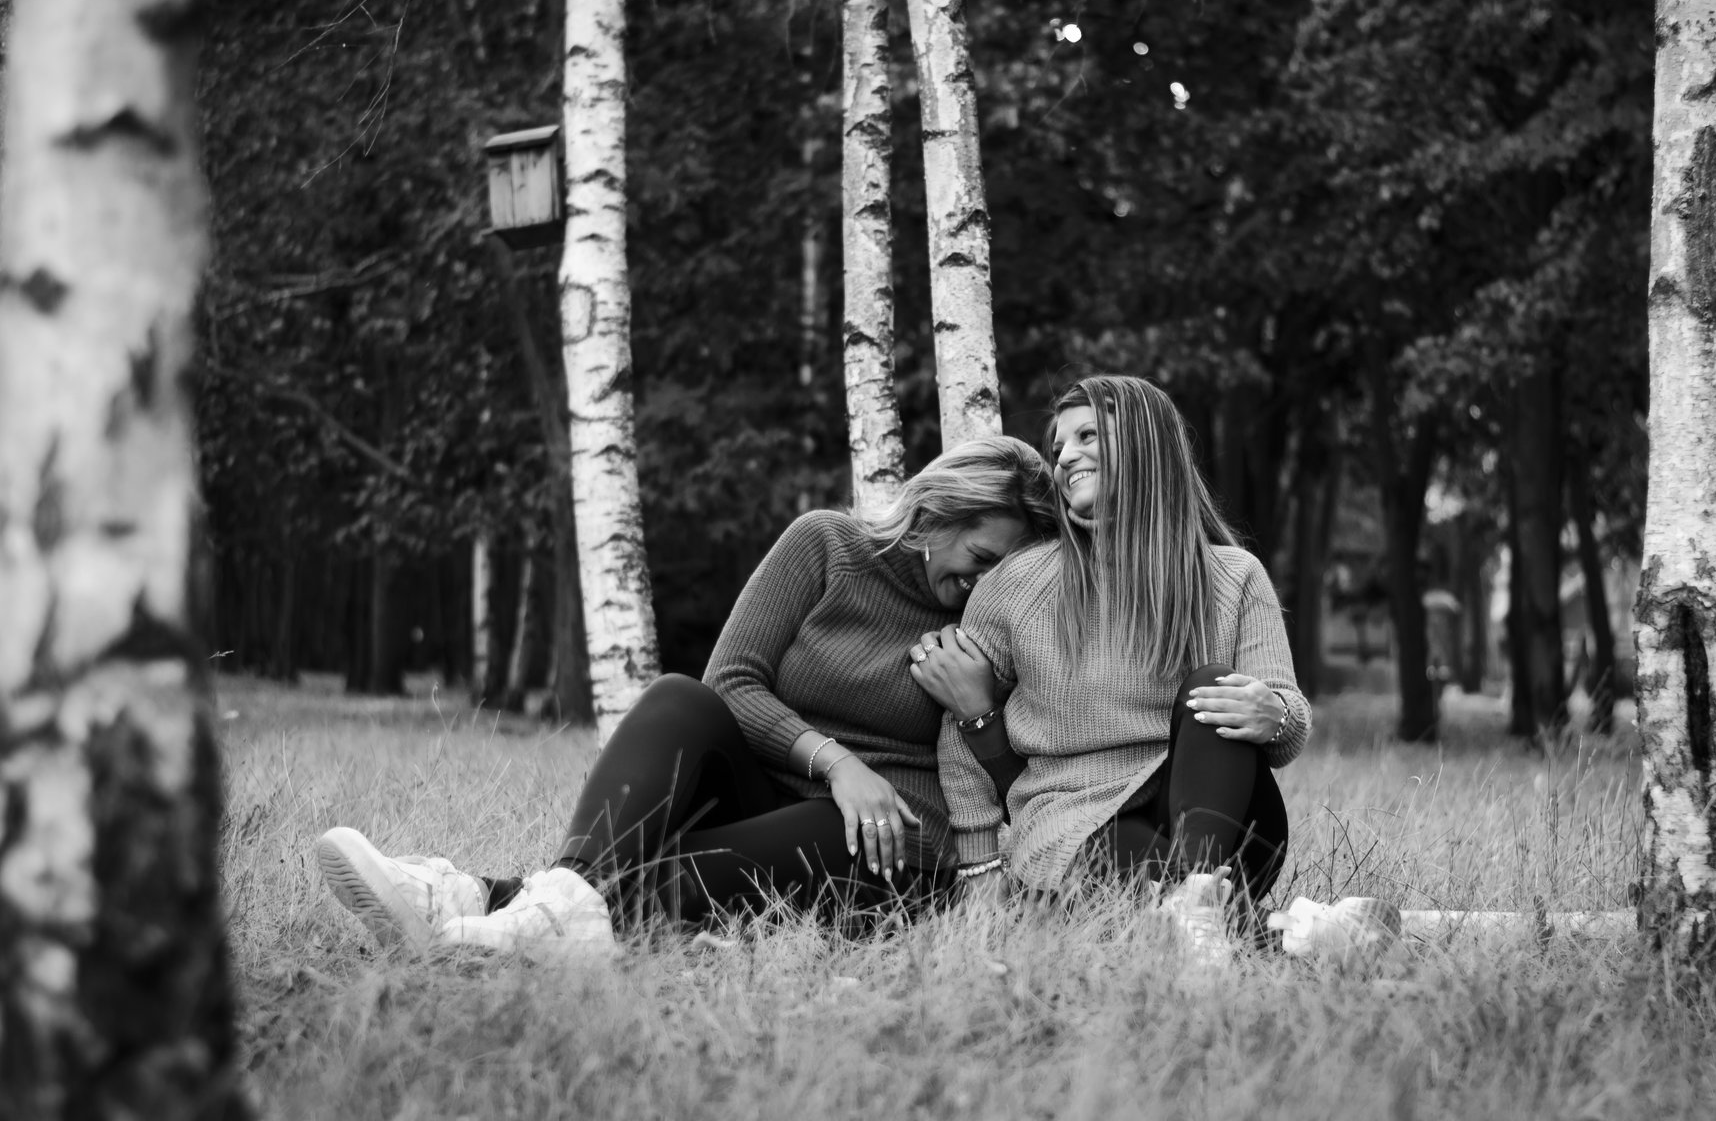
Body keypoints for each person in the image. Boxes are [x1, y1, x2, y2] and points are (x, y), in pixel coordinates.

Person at [317, 435, 1055, 957]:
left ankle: (469, 898)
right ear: (937, 514)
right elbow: (730, 684)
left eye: (1005, 573)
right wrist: (835, 762)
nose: (983, 583)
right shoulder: (828, 545)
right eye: (981, 557)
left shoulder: (999, 625)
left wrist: (975, 705)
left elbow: (1023, 774)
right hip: (774, 792)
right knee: (678, 697)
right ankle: (523, 907)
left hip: (884, 841)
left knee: (659, 882)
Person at [920, 376, 1312, 964]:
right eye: (1058, 448)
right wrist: (980, 865)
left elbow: (1286, 720)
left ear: (1145, 443)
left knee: (1212, 688)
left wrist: (1273, 713)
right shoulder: (1017, 584)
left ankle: (1198, 896)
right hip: (1076, 821)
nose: (1064, 458)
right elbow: (960, 727)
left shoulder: (1234, 576)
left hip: (1222, 816)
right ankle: (1297, 931)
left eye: (1086, 437)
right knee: (1145, 895)